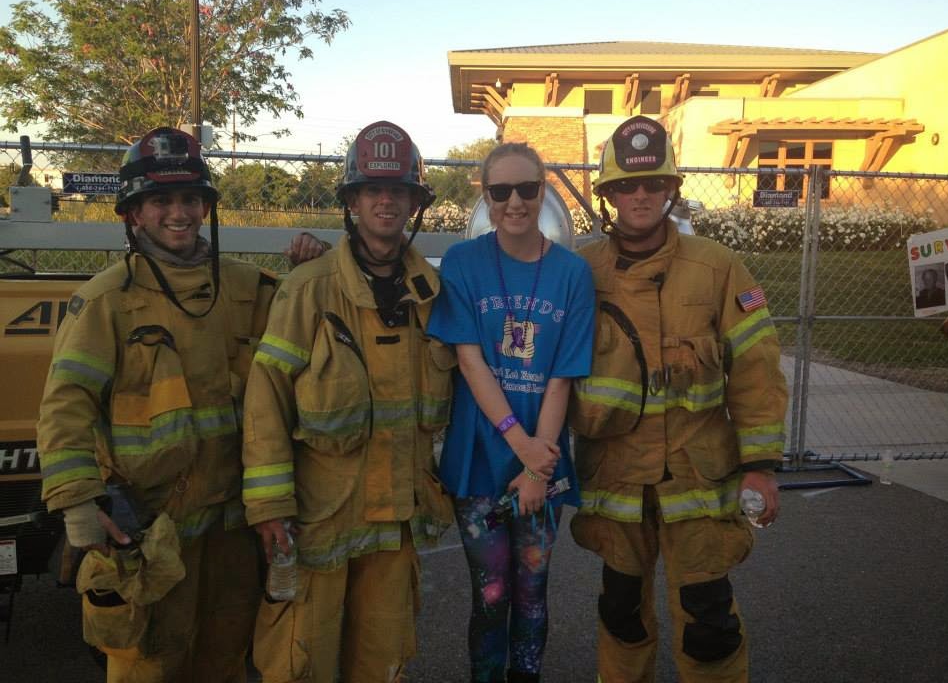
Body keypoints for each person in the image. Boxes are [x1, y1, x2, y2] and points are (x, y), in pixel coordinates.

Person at [36, 126, 326, 681]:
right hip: (150, 533)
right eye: (161, 200)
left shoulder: (247, 288)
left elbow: (312, 333)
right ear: (133, 214)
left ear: (205, 208)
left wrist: (315, 266)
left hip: (232, 528)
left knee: (226, 656)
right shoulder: (106, 301)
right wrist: (78, 501)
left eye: (190, 199)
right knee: (149, 663)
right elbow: (66, 405)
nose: (179, 213)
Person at [568, 115, 788, 683]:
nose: (640, 196)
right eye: (626, 185)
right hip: (617, 478)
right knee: (621, 612)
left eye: (652, 183)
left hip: (698, 478)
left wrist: (761, 465)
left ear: (671, 188)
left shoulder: (717, 267)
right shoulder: (580, 272)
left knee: (708, 622)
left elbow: (757, 368)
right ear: (608, 195)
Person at [241, 120, 456, 682]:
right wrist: (270, 506)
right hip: (320, 521)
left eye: (399, 191)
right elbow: (266, 399)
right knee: (300, 662)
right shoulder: (308, 289)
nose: (386, 201)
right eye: (372, 190)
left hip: (397, 522)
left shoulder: (431, 295)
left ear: (415, 204)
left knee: (382, 663)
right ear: (352, 202)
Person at [427, 142, 596, 683]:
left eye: (527, 188)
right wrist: (519, 445)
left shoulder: (572, 274)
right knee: (492, 593)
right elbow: (471, 361)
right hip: (480, 458)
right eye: (501, 191)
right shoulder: (463, 262)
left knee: (531, 595)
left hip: (541, 460)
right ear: (486, 196)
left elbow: (561, 376)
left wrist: (536, 469)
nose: (515, 203)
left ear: (543, 191)